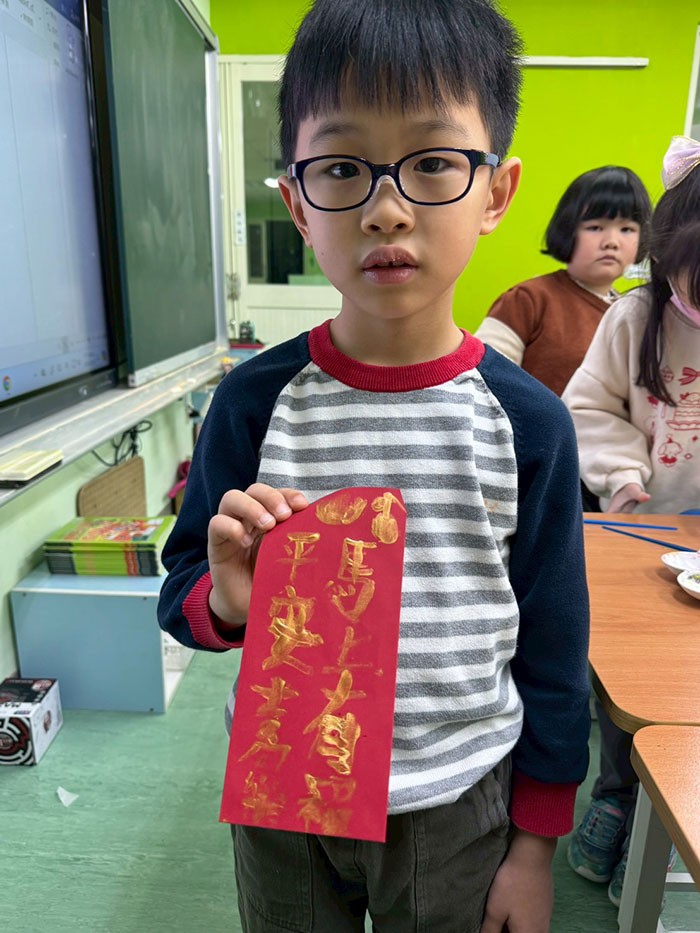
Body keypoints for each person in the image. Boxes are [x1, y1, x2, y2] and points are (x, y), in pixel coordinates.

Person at [157, 2, 591, 930]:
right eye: (343, 168)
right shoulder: (253, 401)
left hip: (452, 802)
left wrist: (535, 847)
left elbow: (555, 646)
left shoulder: (530, 424)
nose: (385, 208)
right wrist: (229, 598)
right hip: (284, 794)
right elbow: (183, 585)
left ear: (496, 192)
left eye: (433, 162)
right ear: (296, 202)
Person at [563, 135, 700, 906]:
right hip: (642, 532)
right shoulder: (635, 317)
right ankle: (618, 793)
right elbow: (588, 407)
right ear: (670, 249)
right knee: (628, 681)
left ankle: (665, 813)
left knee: (691, 689)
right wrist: (621, 473)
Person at [475, 166, 652, 397]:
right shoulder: (529, 300)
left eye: (627, 229)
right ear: (567, 230)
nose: (612, 241)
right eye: (595, 227)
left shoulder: (636, 314)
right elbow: (483, 381)